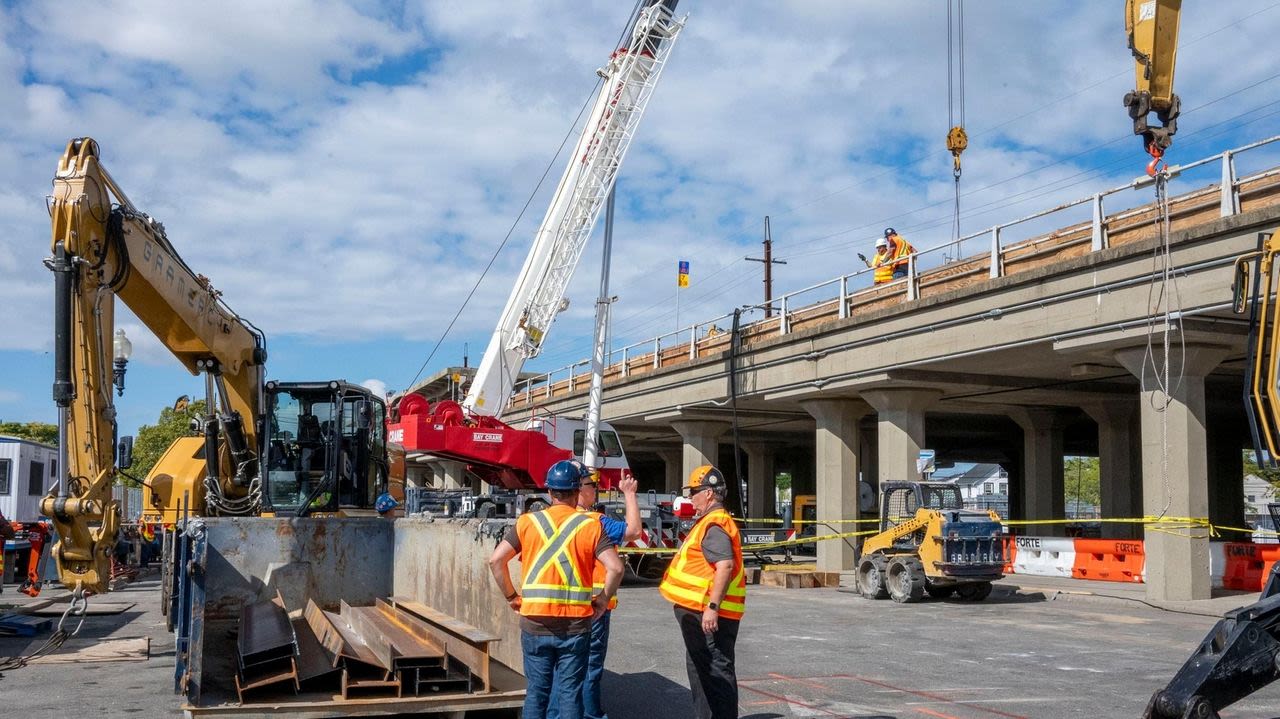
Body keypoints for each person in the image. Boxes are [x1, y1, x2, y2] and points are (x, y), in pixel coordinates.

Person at [489, 460, 625, 719]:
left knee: (537, 692)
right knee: (570, 692)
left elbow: (496, 561)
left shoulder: (528, 522)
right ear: (577, 492)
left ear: (549, 492)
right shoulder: (591, 525)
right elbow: (616, 568)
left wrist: (511, 597)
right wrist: (602, 599)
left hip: (535, 622)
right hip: (576, 625)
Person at [548, 469, 642, 719]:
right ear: (578, 488)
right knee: (588, 669)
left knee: (561, 670)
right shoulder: (594, 522)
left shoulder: (546, 520)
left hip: (555, 609)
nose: (595, 489)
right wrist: (629, 494)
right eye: (592, 484)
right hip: (592, 609)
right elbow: (633, 531)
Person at [660, 465, 747, 719]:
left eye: (694, 492)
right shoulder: (709, 522)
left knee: (716, 675)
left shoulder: (714, 524)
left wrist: (712, 607)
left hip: (707, 616)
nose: (691, 498)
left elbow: (725, 565)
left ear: (709, 493)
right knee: (702, 673)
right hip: (700, 615)